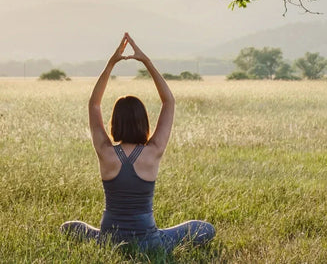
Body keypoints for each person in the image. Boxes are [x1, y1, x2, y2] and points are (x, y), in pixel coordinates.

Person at [60, 33, 215, 253]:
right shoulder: (154, 151)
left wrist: (111, 63)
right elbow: (168, 102)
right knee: (205, 228)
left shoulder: (105, 152)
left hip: (108, 241)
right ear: (144, 122)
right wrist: (146, 61)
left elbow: (94, 104)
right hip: (149, 243)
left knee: (69, 227)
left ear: (115, 123)